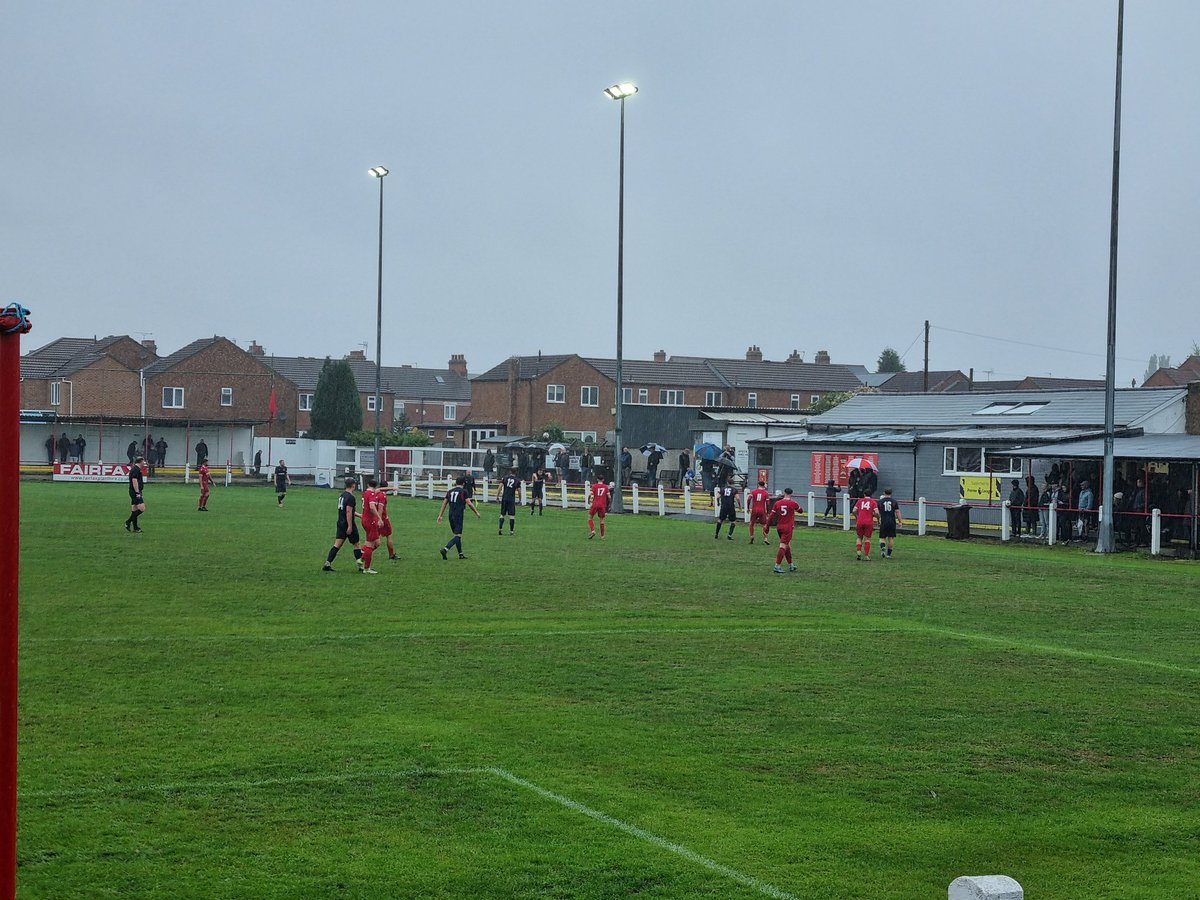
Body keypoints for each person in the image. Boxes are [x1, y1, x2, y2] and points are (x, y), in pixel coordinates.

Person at [322, 477, 365, 573]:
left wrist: (359, 515)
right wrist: (350, 526)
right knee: (357, 544)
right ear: (353, 485)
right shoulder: (351, 497)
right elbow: (348, 512)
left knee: (337, 545)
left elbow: (347, 510)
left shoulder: (342, 495)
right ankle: (361, 567)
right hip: (347, 524)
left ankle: (327, 563)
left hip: (340, 523)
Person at [438, 475, 481, 560]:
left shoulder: (449, 491)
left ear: (455, 483)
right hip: (458, 515)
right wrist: (476, 512)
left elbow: (444, 503)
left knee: (457, 535)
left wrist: (440, 515)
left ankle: (460, 554)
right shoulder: (463, 491)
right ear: (464, 483)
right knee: (458, 536)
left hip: (450, 515)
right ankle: (445, 549)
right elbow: (469, 503)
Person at [769, 488, 803, 574]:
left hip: (779, 527)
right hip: (788, 527)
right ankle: (777, 566)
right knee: (783, 546)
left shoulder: (777, 503)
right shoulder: (793, 503)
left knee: (787, 546)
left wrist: (767, 526)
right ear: (791, 494)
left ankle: (791, 565)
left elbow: (772, 515)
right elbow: (801, 511)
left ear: (784, 493)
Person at [359, 478, 384, 574]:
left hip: (365, 520)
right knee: (370, 545)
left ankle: (362, 558)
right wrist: (379, 518)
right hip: (371, 521)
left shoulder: (365, 493)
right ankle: (366, 568)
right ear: (376, 486)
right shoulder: (372, 494)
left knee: (377, 543)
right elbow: (372, 507)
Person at [853, 490, 880, 560]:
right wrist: (877, 519)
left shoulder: (860, 501)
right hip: (869, 522)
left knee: (859, 537)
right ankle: (866, 555)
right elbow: (877, 513)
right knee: (867, 538)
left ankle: (859, 552)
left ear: (864, 494)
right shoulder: (873, 502)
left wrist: (856, 517)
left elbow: (853, 511)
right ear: (871, 495)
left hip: (860, 521)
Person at [124, 456, 147, 533]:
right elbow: (134, 481)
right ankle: (128, 521)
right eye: (143, 461)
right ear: (140, 462)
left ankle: (136, 528)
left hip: (133, 491)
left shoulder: (136, 469)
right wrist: (138, 493)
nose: (144, 463)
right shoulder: (136, 470)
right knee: (142, 508)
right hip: (135, 492)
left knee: (135, 510)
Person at [878, 488, 902, 559]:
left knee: (882, 538)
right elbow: (897, 512)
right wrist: (900, 521)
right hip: (892, 521)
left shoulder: (880, 502)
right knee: (891, 538)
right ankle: (888, 555)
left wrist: (878, 519)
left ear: (884, 493)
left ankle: (883, 547)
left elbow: (877, 512)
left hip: (883, 521)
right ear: (891, 493)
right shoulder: (894, 502)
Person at [379, 479, 399, 561]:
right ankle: (391, 555)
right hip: (383, 518)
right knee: (389, 536)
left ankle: (365, 552)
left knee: (376, 537)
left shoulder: (376, 493)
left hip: (377, 517)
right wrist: (381, 518)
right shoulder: (383, 496)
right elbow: (381, 508)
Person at [497, 467, 520, 535]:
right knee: (512, 515)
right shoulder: (517, 480)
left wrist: (497, 496)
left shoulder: (505, 478)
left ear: (510, 472)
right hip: (511, 499)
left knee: (502, 514)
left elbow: (500, 486)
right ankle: (511, 531)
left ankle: (500, 529)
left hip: (504, 498)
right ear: (516, 472)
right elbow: (519, 491)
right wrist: (520, 499)